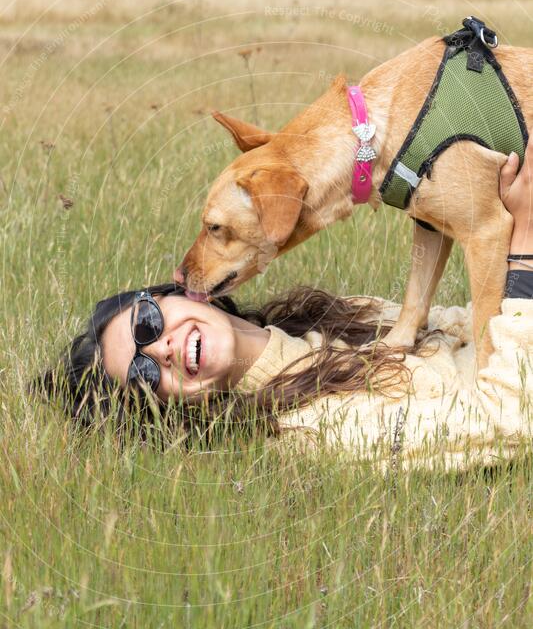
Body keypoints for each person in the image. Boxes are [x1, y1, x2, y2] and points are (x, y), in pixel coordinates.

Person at [40, 144, 533, 470]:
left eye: (148, 324)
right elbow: (508, 420)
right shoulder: (312, 429)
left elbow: (464, 322)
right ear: (170, 409)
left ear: (178, 293)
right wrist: (523, 241)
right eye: (145, 375)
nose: (162, 350)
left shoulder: (322, 318)